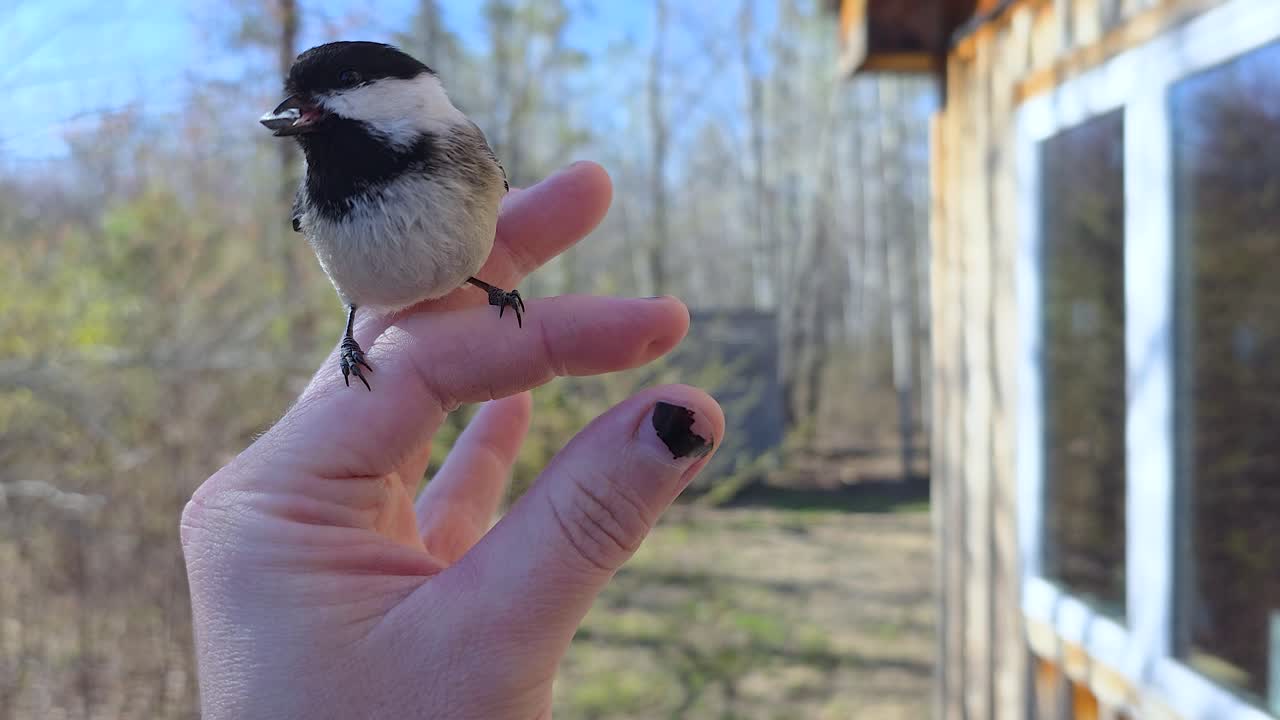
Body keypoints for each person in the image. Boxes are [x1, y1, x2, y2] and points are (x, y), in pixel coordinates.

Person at [180, 161, 725, 719]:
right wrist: (353, 342)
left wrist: (489, 288)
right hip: (367, 308)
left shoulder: (465, 160)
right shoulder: (324, 187)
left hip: (464, 283)